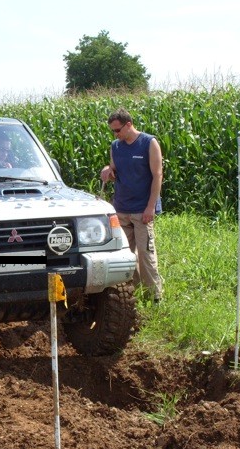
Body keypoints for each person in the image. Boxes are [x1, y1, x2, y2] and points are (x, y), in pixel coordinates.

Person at [100, 107, 164, 303]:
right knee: (125, 257)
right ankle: (135, 295)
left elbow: (157, 175)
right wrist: (107, 171)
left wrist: (150, 207)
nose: (115, 134)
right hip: (121, 210)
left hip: (142, 210)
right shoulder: (115, 146)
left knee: (146, 255)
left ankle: (155, 297)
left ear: (129, 125)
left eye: (118, 130)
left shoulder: (149, 143)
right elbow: (115, 171)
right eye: (112, 131)